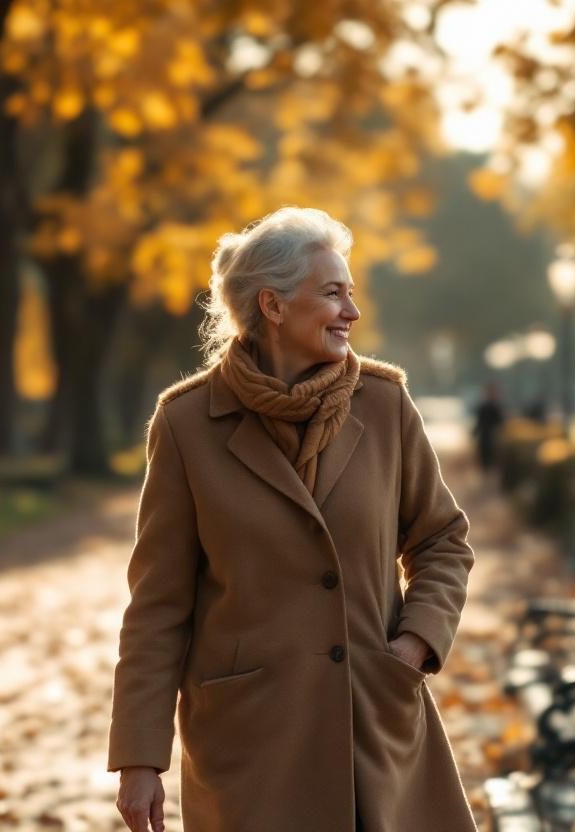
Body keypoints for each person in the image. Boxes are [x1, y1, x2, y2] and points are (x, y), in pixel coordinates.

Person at [109, 207, 478, 832]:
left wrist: (414, 644)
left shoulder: (385, 406)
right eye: (333, 294)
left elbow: (443, 539)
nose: (352, 313)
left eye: (351, 294)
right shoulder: (186, 424)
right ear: (273, 306)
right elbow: (157, 604)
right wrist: (140, 757)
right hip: (249, 746)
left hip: (375, 723)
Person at [471, 381, 506, 475]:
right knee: (485, 464)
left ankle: (491, 482)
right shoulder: (483, 407)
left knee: (493, 464)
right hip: (485, 439)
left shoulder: (498, 408)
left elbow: (502, 424)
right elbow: (478, 423)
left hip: (495, 440)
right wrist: (473, 434)